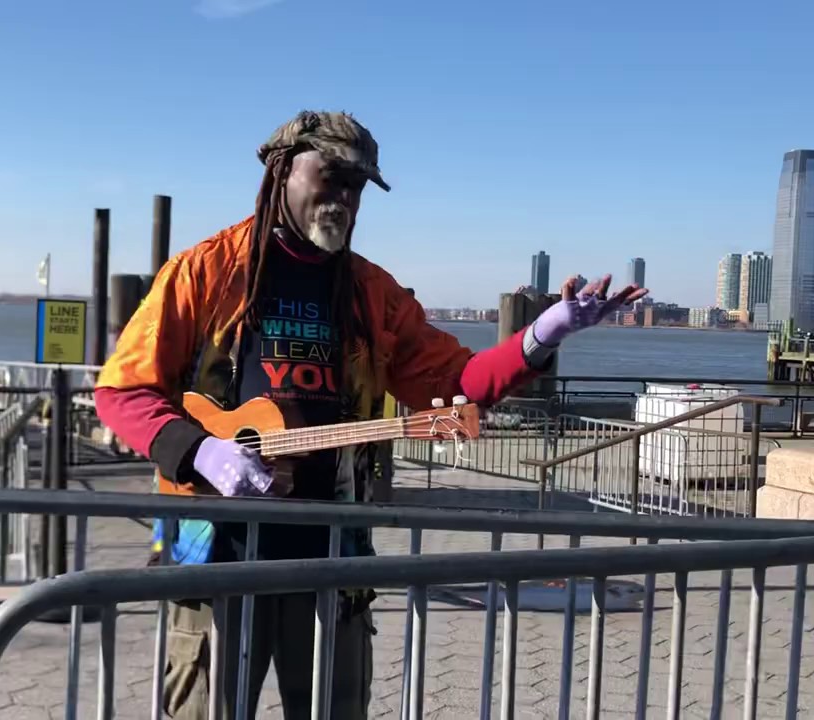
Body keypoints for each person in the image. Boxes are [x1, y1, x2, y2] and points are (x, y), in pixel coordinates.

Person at [94, 109, 647, 720]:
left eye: (357, 188)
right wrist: (201, 451)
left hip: (333, 556)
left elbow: (454, 384)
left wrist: (541, 337)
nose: (344, 199)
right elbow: (123, 391)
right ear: (282, 172)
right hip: (214, 554)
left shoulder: (371, 292)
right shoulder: (203, 272)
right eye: (331, 177)